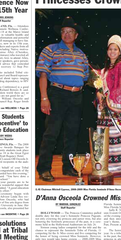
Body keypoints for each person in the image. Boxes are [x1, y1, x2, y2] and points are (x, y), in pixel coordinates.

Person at [36, 16, 89, 181]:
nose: (67, 34)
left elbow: (86, 76)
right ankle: (44, 168)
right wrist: (44, 97)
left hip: (77, 96)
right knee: (51, 133)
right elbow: (43, 74)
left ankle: (69, 167)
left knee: (72, 133)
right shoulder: (50, 49)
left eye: (70, 31)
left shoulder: (82, 55)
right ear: (61, 33)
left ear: (76, 35)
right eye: (64, 31)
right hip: (57, 95)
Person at [96, 35, 121, 177]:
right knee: (105, 139)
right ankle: (104, 166)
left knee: (115, 137)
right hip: (104, 109)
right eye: (110, 49)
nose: (112, 52)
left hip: (114, 108)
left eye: (115, 49)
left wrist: (109, 99)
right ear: (107, 51)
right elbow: (99, 87)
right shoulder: (104, 69)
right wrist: (99, 95)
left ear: (119, 52)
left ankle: (119, 168)